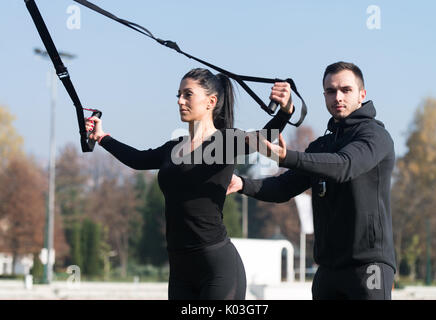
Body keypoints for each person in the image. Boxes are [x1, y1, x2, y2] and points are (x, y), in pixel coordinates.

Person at [85, 68, 295, 300]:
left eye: (188, 94)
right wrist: (101, 137)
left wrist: (286, 111)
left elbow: (266, 135)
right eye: (178, 95)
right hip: (179, 269)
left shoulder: (226, 142)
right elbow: (137, 159)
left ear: (210, 101)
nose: (180, 101)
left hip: (217, 267)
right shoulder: (173, 148)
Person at [227, 61, 396, 300]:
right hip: (327, 270)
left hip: (369, 267)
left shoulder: (375, 136)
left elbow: (343, 166)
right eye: (330, 91)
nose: (338, 97)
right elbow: (283, 188)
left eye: (346, 90)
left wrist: (287, 157)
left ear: (362, 95)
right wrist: (241, 183)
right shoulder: (321, 146)